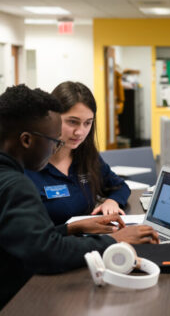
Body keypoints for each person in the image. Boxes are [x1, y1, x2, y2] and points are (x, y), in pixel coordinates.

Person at [0, 84, 159, 309]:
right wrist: (114, 240)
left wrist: (71, 228)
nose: (57, 147)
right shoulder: (17, 185)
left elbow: (26, 239)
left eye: (87, 123)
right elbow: (46, 253)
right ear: (27, 140)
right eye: (54, 141)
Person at [25, 81, 130, 225]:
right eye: (72, 122)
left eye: (87, 123)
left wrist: (112, 201)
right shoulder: (28, 166)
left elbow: (120, 187)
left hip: (89, 244)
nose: (80, 132)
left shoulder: (86, 156)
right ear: (52, 118)